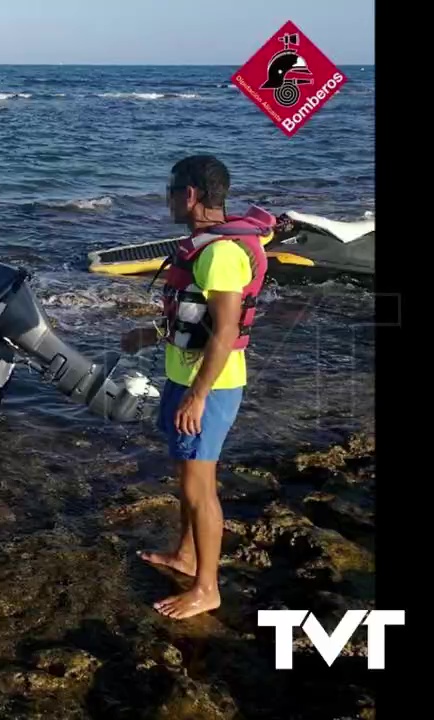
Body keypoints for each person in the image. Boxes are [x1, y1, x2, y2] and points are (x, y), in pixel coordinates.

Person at [121, 154, 274, 620]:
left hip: (211, 386)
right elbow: (196, 321)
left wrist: (198, 395)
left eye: (170, 190)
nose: (165, 199)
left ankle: (208, 587)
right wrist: (148, 336)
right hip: (186, 377)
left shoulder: (220, 254)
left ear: (189, 195)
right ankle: (186, 556)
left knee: (200, 487)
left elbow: (225, 330)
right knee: (187, 478)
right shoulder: (206, 247)